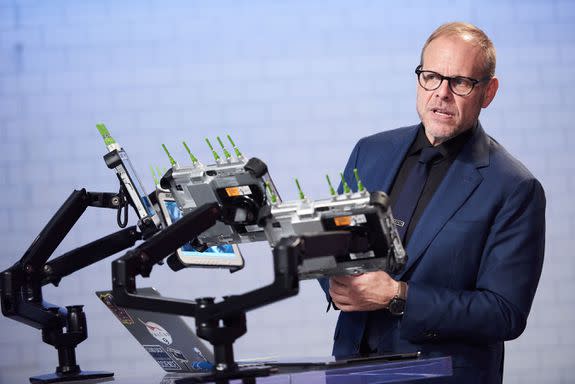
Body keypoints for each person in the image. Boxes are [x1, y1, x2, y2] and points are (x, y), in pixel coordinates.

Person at [320, 22, 545, 383]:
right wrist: (329, 272)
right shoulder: (369, 151)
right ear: (418, 78)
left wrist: (398, 295)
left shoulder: (515, 187)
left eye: (460, 82)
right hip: (351, 370)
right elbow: (336, 248)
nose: (441, 93)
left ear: (488, 92)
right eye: (431, 76)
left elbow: (505, 313)